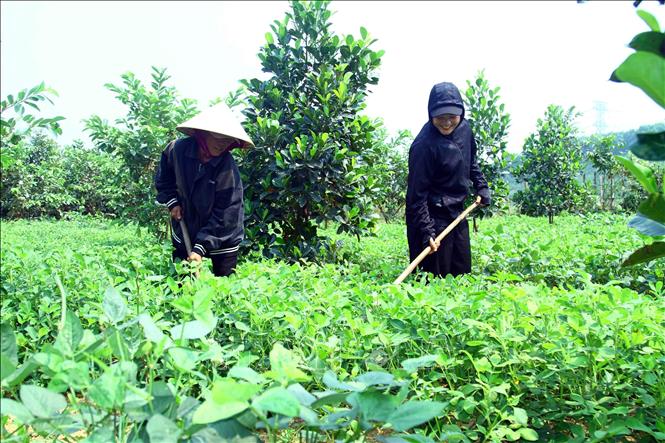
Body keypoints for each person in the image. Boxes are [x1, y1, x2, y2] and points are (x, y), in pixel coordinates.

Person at [154, 103, 254, 277]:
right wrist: (173, 202)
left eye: (227, 140)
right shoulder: (176, 150)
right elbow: (164, 178)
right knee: (183, 281)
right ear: (203, 134)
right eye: (219, 138)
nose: (223, 144)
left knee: (225, 288)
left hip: (223, 233)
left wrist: (200, 248)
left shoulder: (227, 170)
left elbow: (226, 214)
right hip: (187, 222)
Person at [405, 81, 491, 278]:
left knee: (461, 273)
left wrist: (481, 186)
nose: (446, 122)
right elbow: (416, 197)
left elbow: (471, 162)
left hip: (457, 214)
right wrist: (427, 232)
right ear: (430, 115)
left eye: (451, 117)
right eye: (440, 117)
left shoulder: (465, 130)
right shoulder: (423, 146)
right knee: (433, 278)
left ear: (460, 114)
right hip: (430, 216)